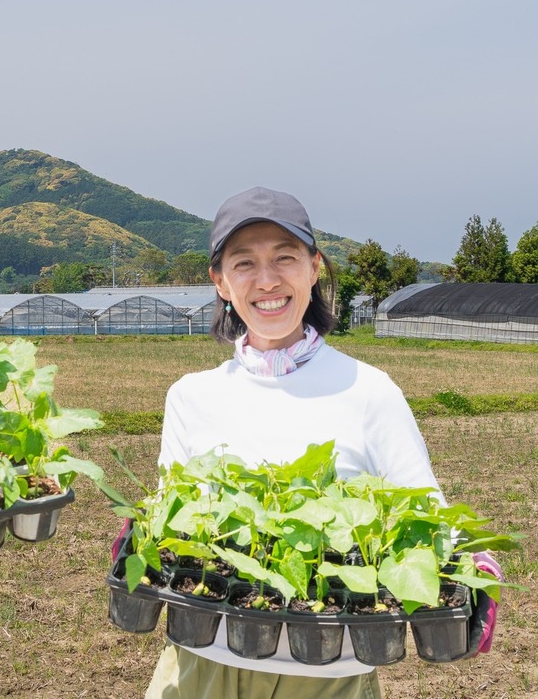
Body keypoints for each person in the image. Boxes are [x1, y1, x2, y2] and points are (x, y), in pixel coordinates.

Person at [144, 186, 499, 699]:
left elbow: (427, 516)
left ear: (314, 268)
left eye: (284, 258)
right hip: (201, 663)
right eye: (244, 264)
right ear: (220, 282)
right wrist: (145, 537)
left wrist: (470, 569)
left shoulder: (368, 391)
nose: (267, 281)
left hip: (330, 670)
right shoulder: (191, 396)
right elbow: (169, 515)